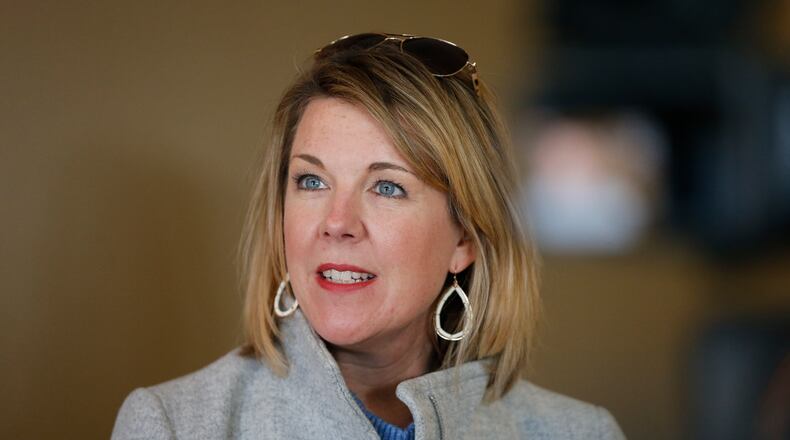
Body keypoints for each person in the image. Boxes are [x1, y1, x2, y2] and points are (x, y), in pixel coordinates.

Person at [111, 32, 627, 440]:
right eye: (312, 181)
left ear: (465, 238)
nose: (337, 222)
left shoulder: (580, 432)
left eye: (386, 187)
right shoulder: (173, 425)